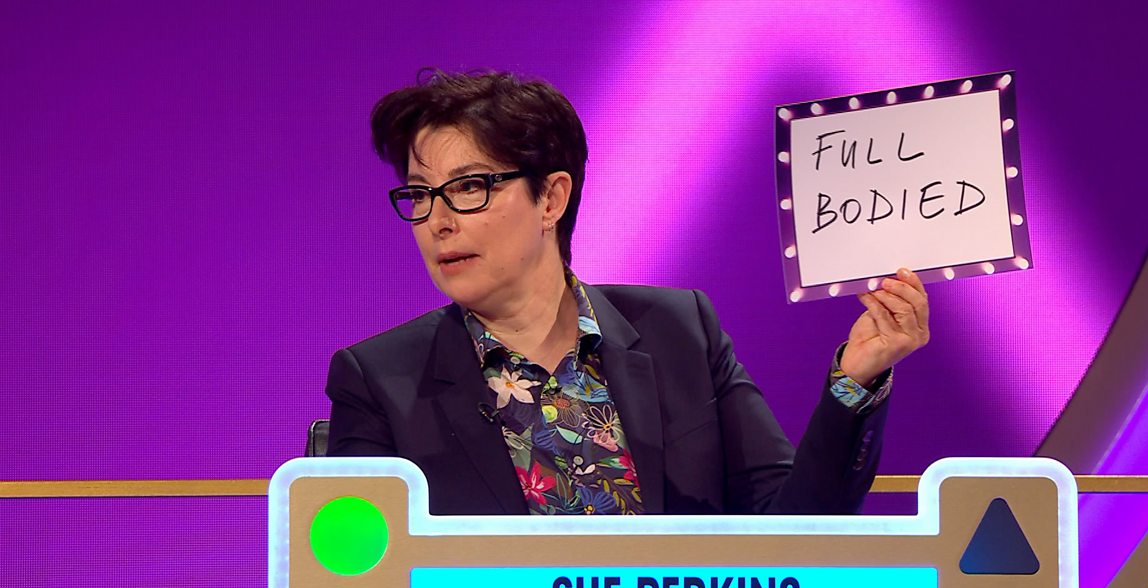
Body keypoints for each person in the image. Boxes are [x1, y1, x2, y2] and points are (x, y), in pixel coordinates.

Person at [325, 71, 931, 516]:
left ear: (551, 199)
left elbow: (792, 530)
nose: (438, 221)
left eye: (469, 187)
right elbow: (357, 587)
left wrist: (857, 379)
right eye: (420, 194)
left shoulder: (681, 332)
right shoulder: (380, 379)